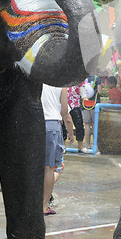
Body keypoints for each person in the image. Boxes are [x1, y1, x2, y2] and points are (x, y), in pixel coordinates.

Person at [41, 84, 74, 215]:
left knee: (36, 165)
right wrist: (71, 133)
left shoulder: (37, 80)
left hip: (35, 123)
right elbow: (65, 111)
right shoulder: (61, 85)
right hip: (52, 124)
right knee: (50, 167)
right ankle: (44, 205)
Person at [80, 75, 103, 150]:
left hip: (85, 104)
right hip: (94, 105)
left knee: (87, 125)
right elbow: (99, 92)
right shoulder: (97, 78)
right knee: (94, 125)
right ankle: (95, 145)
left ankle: (87, 145)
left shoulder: (82, 78)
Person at [66, 82, 88, 153]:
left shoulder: (78, 77)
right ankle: (63, 145)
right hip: (63, 103)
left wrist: (84, 97)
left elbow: (81, 86)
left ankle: (80, 145)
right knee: (62, 124)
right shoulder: (62, 75)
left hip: (75, 103)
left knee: (79, 124)